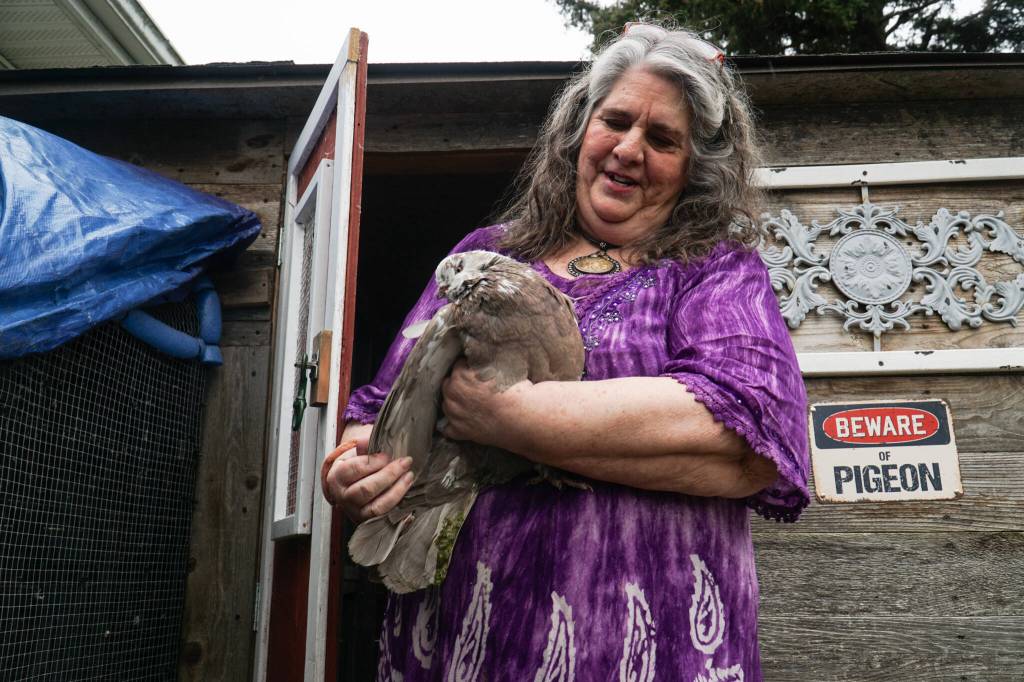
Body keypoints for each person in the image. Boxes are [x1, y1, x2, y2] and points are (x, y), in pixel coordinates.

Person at [322, 22, 808, 681]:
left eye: (663, 139)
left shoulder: (714, 271)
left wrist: (509, 419)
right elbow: (381, 409)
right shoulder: (485, 255)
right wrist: (353, 471)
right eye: (616, 120)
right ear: (580, 128)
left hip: (651, 640)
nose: (629, 149)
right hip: (468, 633)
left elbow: (748, 429)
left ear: (697, 170)